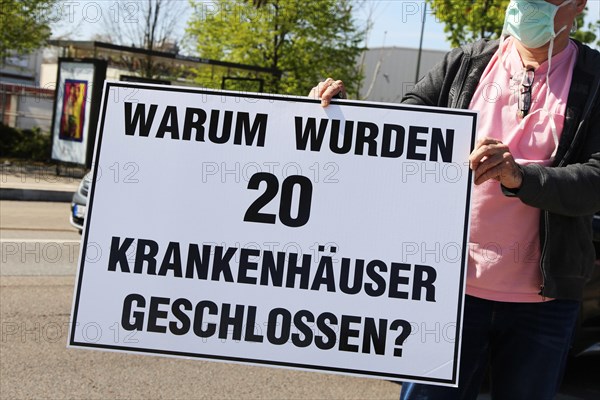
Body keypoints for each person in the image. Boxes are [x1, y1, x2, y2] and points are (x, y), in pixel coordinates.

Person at [310, 0, 600, 399]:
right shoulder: (465, 63)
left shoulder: (595, 78)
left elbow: (595, 182)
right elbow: (398, 133)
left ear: (579, 4)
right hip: (447, 294)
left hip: (543, 304)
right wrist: (339, 115)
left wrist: (520, 177)